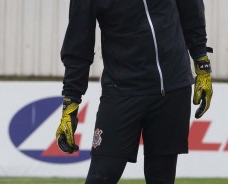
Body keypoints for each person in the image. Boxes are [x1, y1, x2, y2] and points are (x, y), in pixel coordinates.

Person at [56, 0, 213, 183]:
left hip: (173, 86)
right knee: (101, 176)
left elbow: (191, 10)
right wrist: (71, 103)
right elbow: (78, 44)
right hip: (121, 90)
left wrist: (202, 64)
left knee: (161, 177)